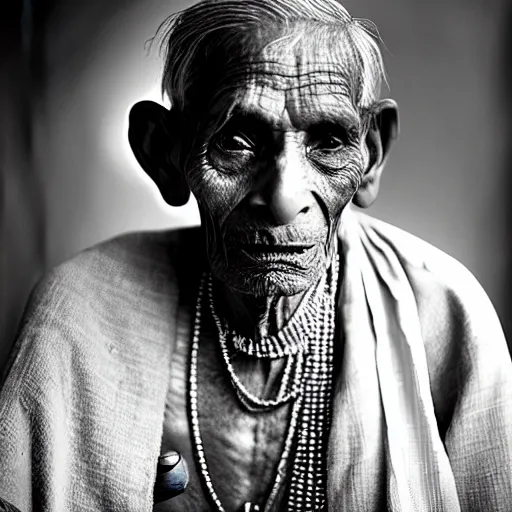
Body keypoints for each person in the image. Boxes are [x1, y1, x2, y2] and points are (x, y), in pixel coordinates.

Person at [1, 0, 511, 510]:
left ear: (371, 154)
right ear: (164, 153)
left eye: (329, 142)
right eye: (237, 141)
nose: (285, 198)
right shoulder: (81, 312)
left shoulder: (445, 317)